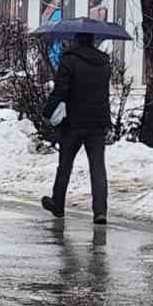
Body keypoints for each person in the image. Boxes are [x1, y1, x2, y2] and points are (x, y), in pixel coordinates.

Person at [41, 32, 113, 224]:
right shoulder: (104, 62)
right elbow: (104, 93)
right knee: (98, 167)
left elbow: (60, 90)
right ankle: (100, 211)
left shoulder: (69, 60)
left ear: (76, 40)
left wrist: (47, 112)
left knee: (65, 164)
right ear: (92, 40)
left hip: (74, 122)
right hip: (98, 122)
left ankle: (58, 204)